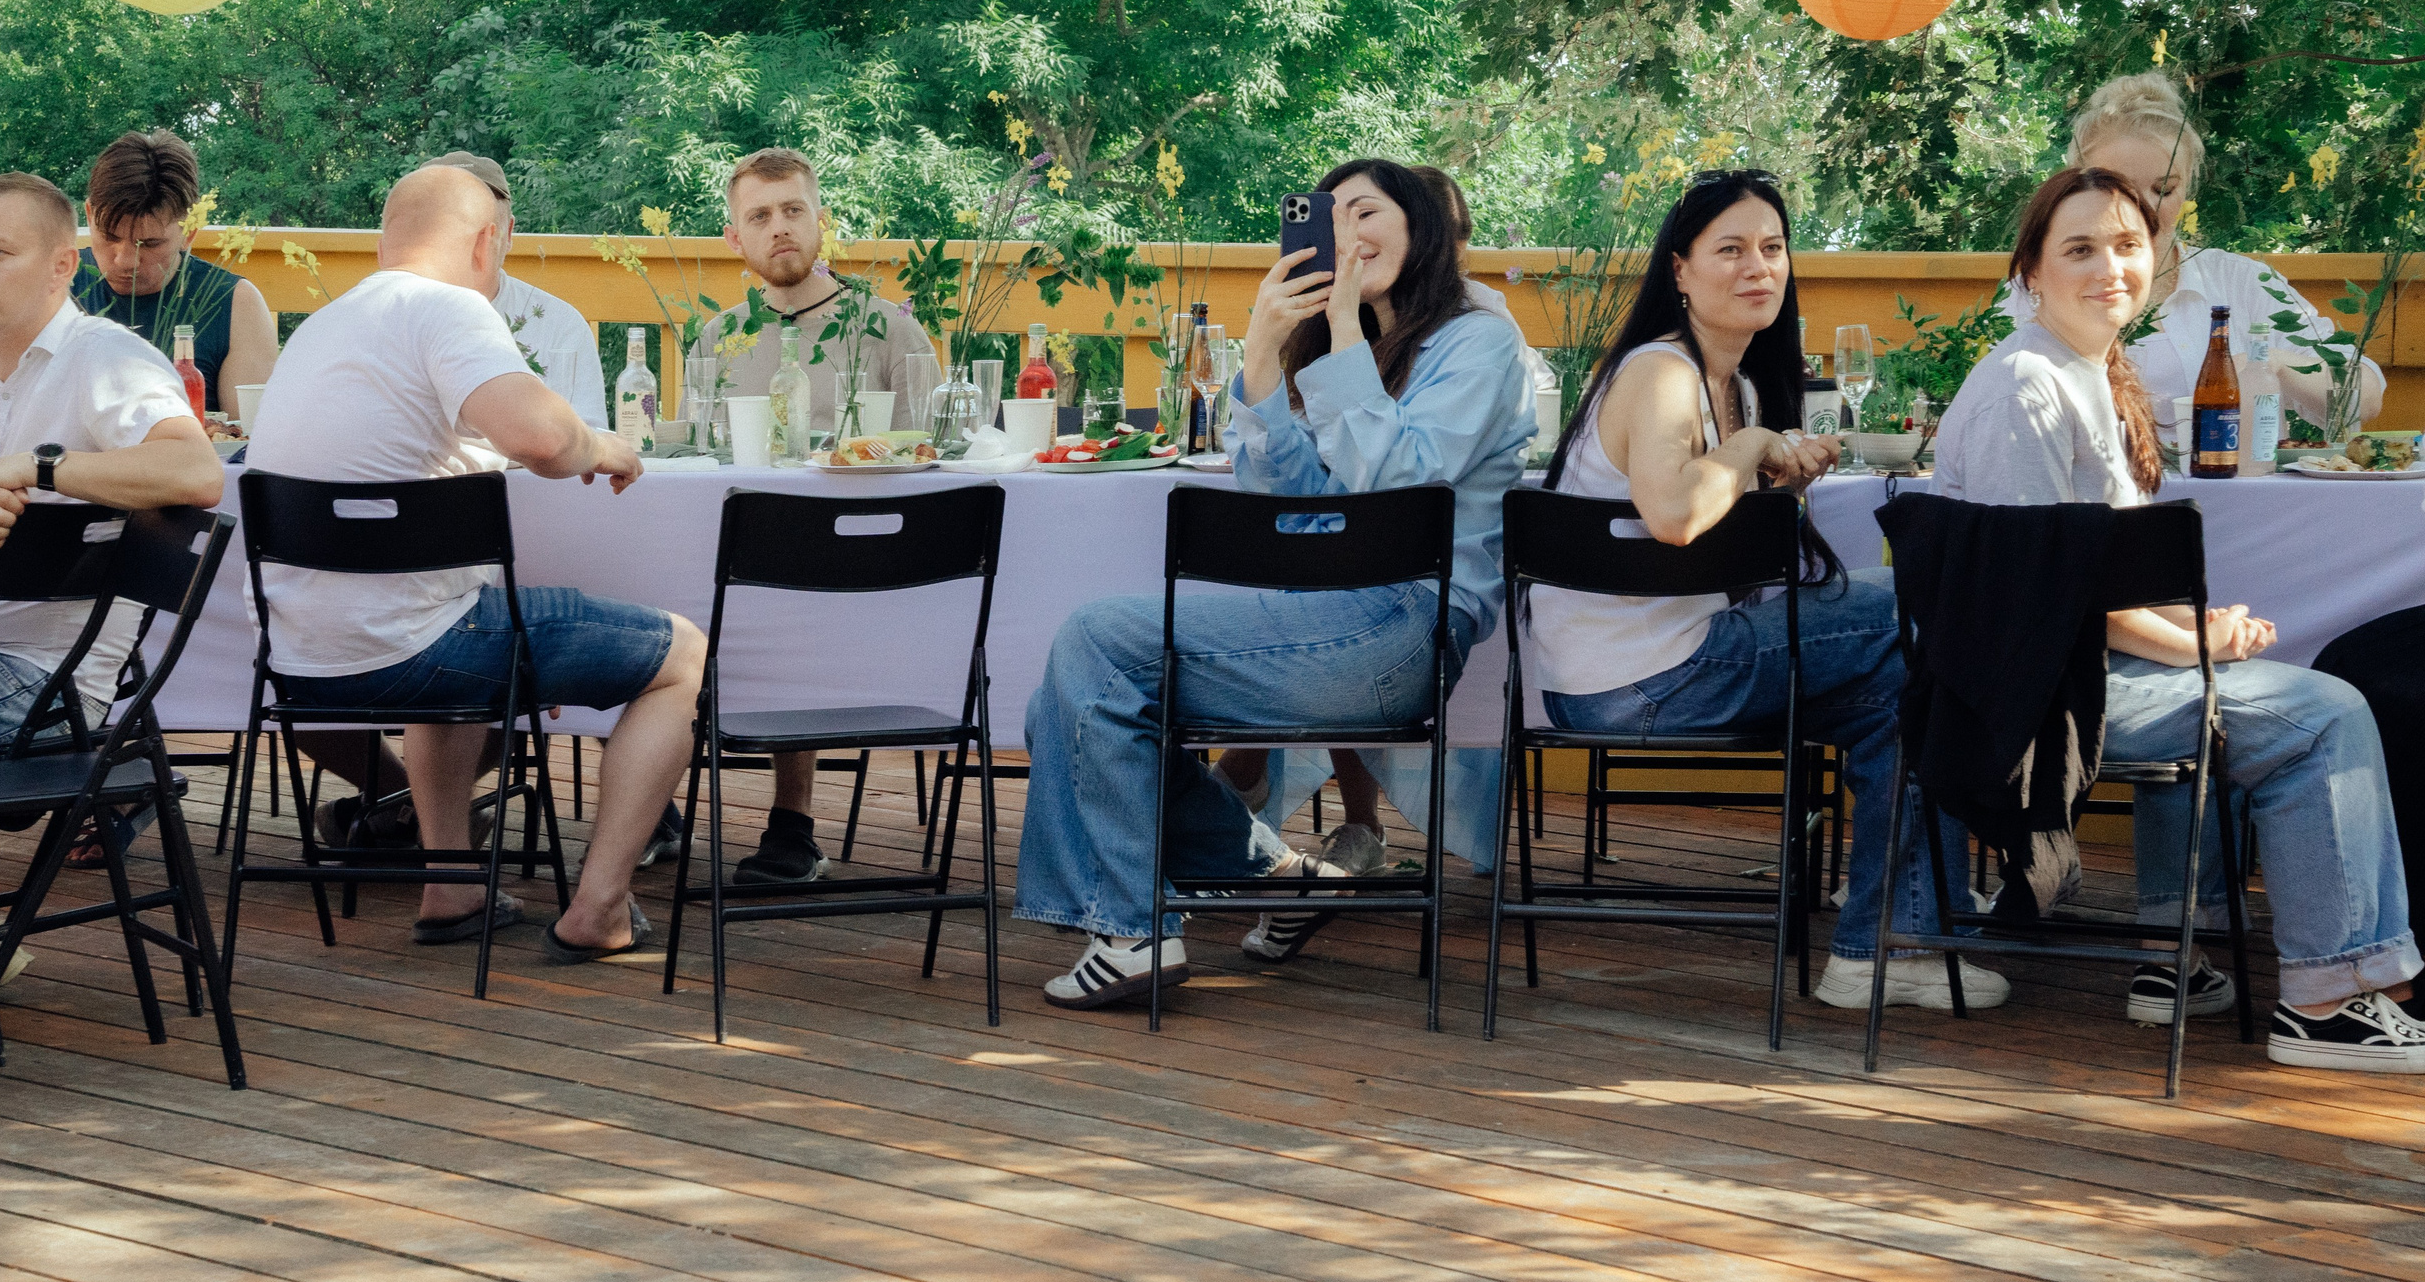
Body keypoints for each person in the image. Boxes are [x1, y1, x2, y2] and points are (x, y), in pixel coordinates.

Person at [1016, 158, 1534, 1009]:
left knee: (1093, 637)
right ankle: (1289, 882)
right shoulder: (1352, 341)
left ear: (1422, 227)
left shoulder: (1477, 338)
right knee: (1063, 708)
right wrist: (1262, 347)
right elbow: (1287, 506)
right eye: (1332, 219)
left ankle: (1132, 929)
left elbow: (1403, 480)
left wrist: (1336, 330)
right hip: (1325, 614)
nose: (1348, 235)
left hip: (1406, 625)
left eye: (1366, 213)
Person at [1940, 163, 2421, 1070]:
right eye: (2079, 248)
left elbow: (2100, 571)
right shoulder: (2025, 390)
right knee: (2325, 713)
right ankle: (2329, 1003)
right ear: (2030, 273)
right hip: (2037, 695)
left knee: (2268, 691)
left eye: (2128, 246)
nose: (2110, 267)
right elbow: (2053, 593)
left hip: (2073, 666)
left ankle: (2179, 953)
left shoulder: (2084, 373)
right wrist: (2194, 641)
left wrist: (2203, 632)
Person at [1529, 171, 2004, 1013]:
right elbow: (1676, 517)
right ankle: (1912, 930)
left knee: (1905, 698)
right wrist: (1753, 446)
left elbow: (1724, 565)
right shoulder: (1662, 374)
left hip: (1661, 667)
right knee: (1924, 612)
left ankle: (1887, 949)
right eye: (1731, 250)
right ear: (1679, 270)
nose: (1759, 267)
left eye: (1773, 249)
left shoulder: (1734, 385)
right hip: (1641, 681)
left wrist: (1773, 485)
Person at [245, 163, 706, 959]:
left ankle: (451, 884)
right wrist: (601, 445)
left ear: (386, 241)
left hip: (301, 659)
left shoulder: (323, 325)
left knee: (452, 599)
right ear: (488, 242)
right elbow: (541, 439)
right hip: (417, 648)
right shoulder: (449, 307)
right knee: (683, 658)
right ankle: (599, 907)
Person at [0, 172, 226, 997]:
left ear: (63, 266)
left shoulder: (105, 357)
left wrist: (42, 468)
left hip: (41, 683)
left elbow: (196, 470)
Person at [690, 146, 937, 886]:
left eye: (794, 210)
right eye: (760, 216)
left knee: (786, 592)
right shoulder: (717, 339)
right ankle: (653, 809)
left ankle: (792, 821)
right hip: (744, 564)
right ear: (735, 238)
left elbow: (934, 456)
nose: (781, 228)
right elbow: (697, 463)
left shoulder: (888, 328)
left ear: (820, 220)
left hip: (873, 576)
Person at [1999, 72, 2384, 441]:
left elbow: (2363, 396)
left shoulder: (2241, 281)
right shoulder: (2040, 284)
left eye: (2163, 189)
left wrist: (2271, 363)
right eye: (2118, 189)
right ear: (2078, 183)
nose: (2145, 207)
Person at [73, 130, 278, 422]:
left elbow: (247, 439)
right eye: (108, 236)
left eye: (150, 243)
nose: (124, 260)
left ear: (189, 231)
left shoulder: (235, 305)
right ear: (90, 214)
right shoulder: (52, 286)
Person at [429, 152, 607, 429]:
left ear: (508, 233)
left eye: (483, 231)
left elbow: (590, 433)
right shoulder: (384, 321)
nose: (468, 245)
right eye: (448, 228)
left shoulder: (560, 325)